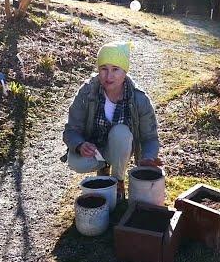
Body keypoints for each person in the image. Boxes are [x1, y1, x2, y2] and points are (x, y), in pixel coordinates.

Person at [61, 41, 162, 202]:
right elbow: (71, 130)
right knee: (75, 162)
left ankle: (117, 181)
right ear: (98, 70)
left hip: (122, 149)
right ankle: (103, 168)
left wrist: (148, 157)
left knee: (120, 132)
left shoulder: (139, 98)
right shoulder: (87, 92)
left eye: (115, 69)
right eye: (104, 69)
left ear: (125, 72)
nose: (108, 76)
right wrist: (80, 145)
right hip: (96, 150)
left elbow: (150, 137)